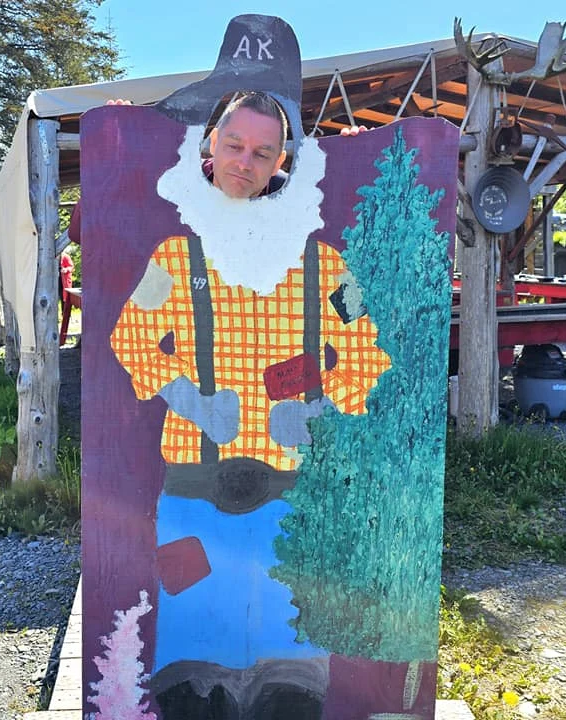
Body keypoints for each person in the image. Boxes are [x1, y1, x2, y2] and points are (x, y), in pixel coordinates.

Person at [105, 91, 389, 709]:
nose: (245, 162)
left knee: (288, 670)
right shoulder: (174, 261)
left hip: (293, 497)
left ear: (281, 159)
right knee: (194, 666)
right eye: (234, 145)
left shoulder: (327, 268)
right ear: (210, 145)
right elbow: (130, 338)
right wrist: (188, 398)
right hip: (194, 492)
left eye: (262, 152)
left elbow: (368, 354)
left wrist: (317, 408)